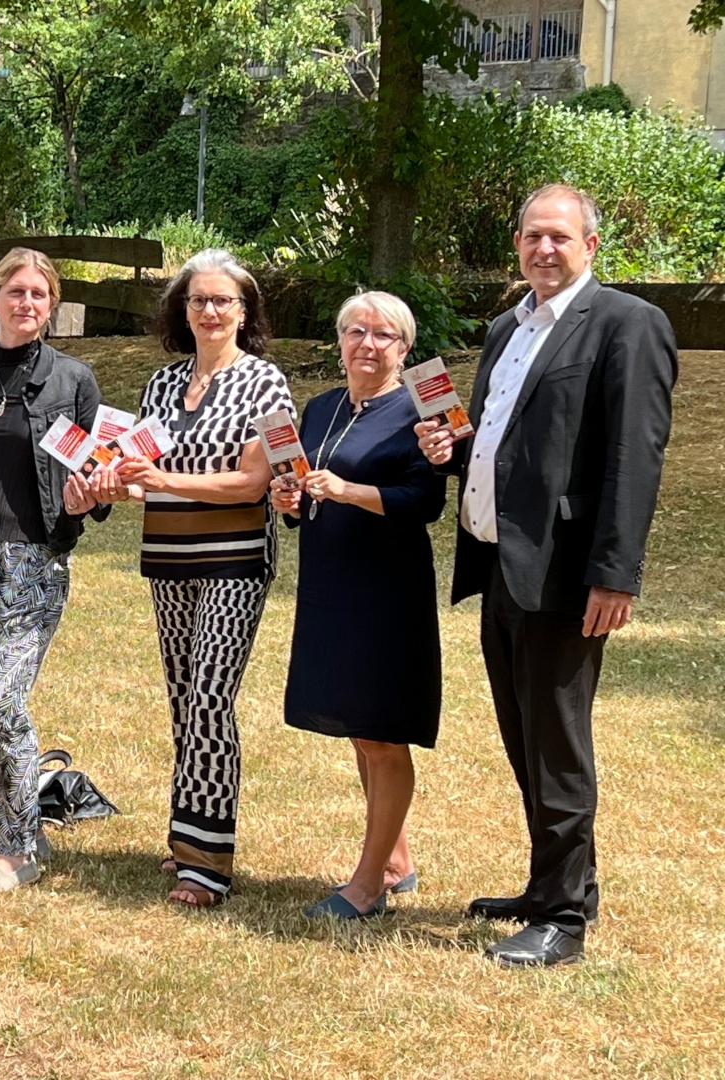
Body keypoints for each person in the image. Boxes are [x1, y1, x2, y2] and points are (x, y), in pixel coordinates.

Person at [417, 185, 676, 967]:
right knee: (524, 737)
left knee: (558, 745)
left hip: (566, 576)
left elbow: (635, 458)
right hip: (502, 566)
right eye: (533, 236)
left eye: (560, 236)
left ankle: (563, 919)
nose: (544, 249)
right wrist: (454, 452)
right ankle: (553, 886)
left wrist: (616, 575)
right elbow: (505, 444)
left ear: (591, 245)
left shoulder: (629, 324)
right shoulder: (508, 327)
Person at [93, 248, 294, 908]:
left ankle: (207, 863)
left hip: (236, 560)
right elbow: (141, 473)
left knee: (210, 696)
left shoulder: (265, 383)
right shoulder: (160, 386)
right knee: (184, 700)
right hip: (169, 558)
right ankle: (187, 835)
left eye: (222, 300)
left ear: (244, 311)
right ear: (183, 310)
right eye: (198, 299)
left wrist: (162, 480)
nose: (210, 310)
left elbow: (253, 483)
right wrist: (111, 482)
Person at [269, 291, 445, 921]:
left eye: (384, 335)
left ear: (405, 348)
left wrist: (347, 490)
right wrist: (291, 501)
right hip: (330, 583)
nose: (368, 344)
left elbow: (424, 502)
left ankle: (368, 886)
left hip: (386, 588)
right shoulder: (319, 408)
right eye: (356, 332)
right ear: (340, 341)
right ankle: (396, 861)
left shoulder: (418, 413)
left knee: (382, 732)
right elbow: (299, 485)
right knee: (358, 726)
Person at [0, 247, 110, 895]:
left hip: (32, 562)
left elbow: (96, 475)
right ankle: (21, 826)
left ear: (52, 304)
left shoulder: (73, 380)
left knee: (2, 699)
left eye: (40, 294)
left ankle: (18, 853)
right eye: (16, 292)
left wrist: (88, 497)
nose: (27, 303)